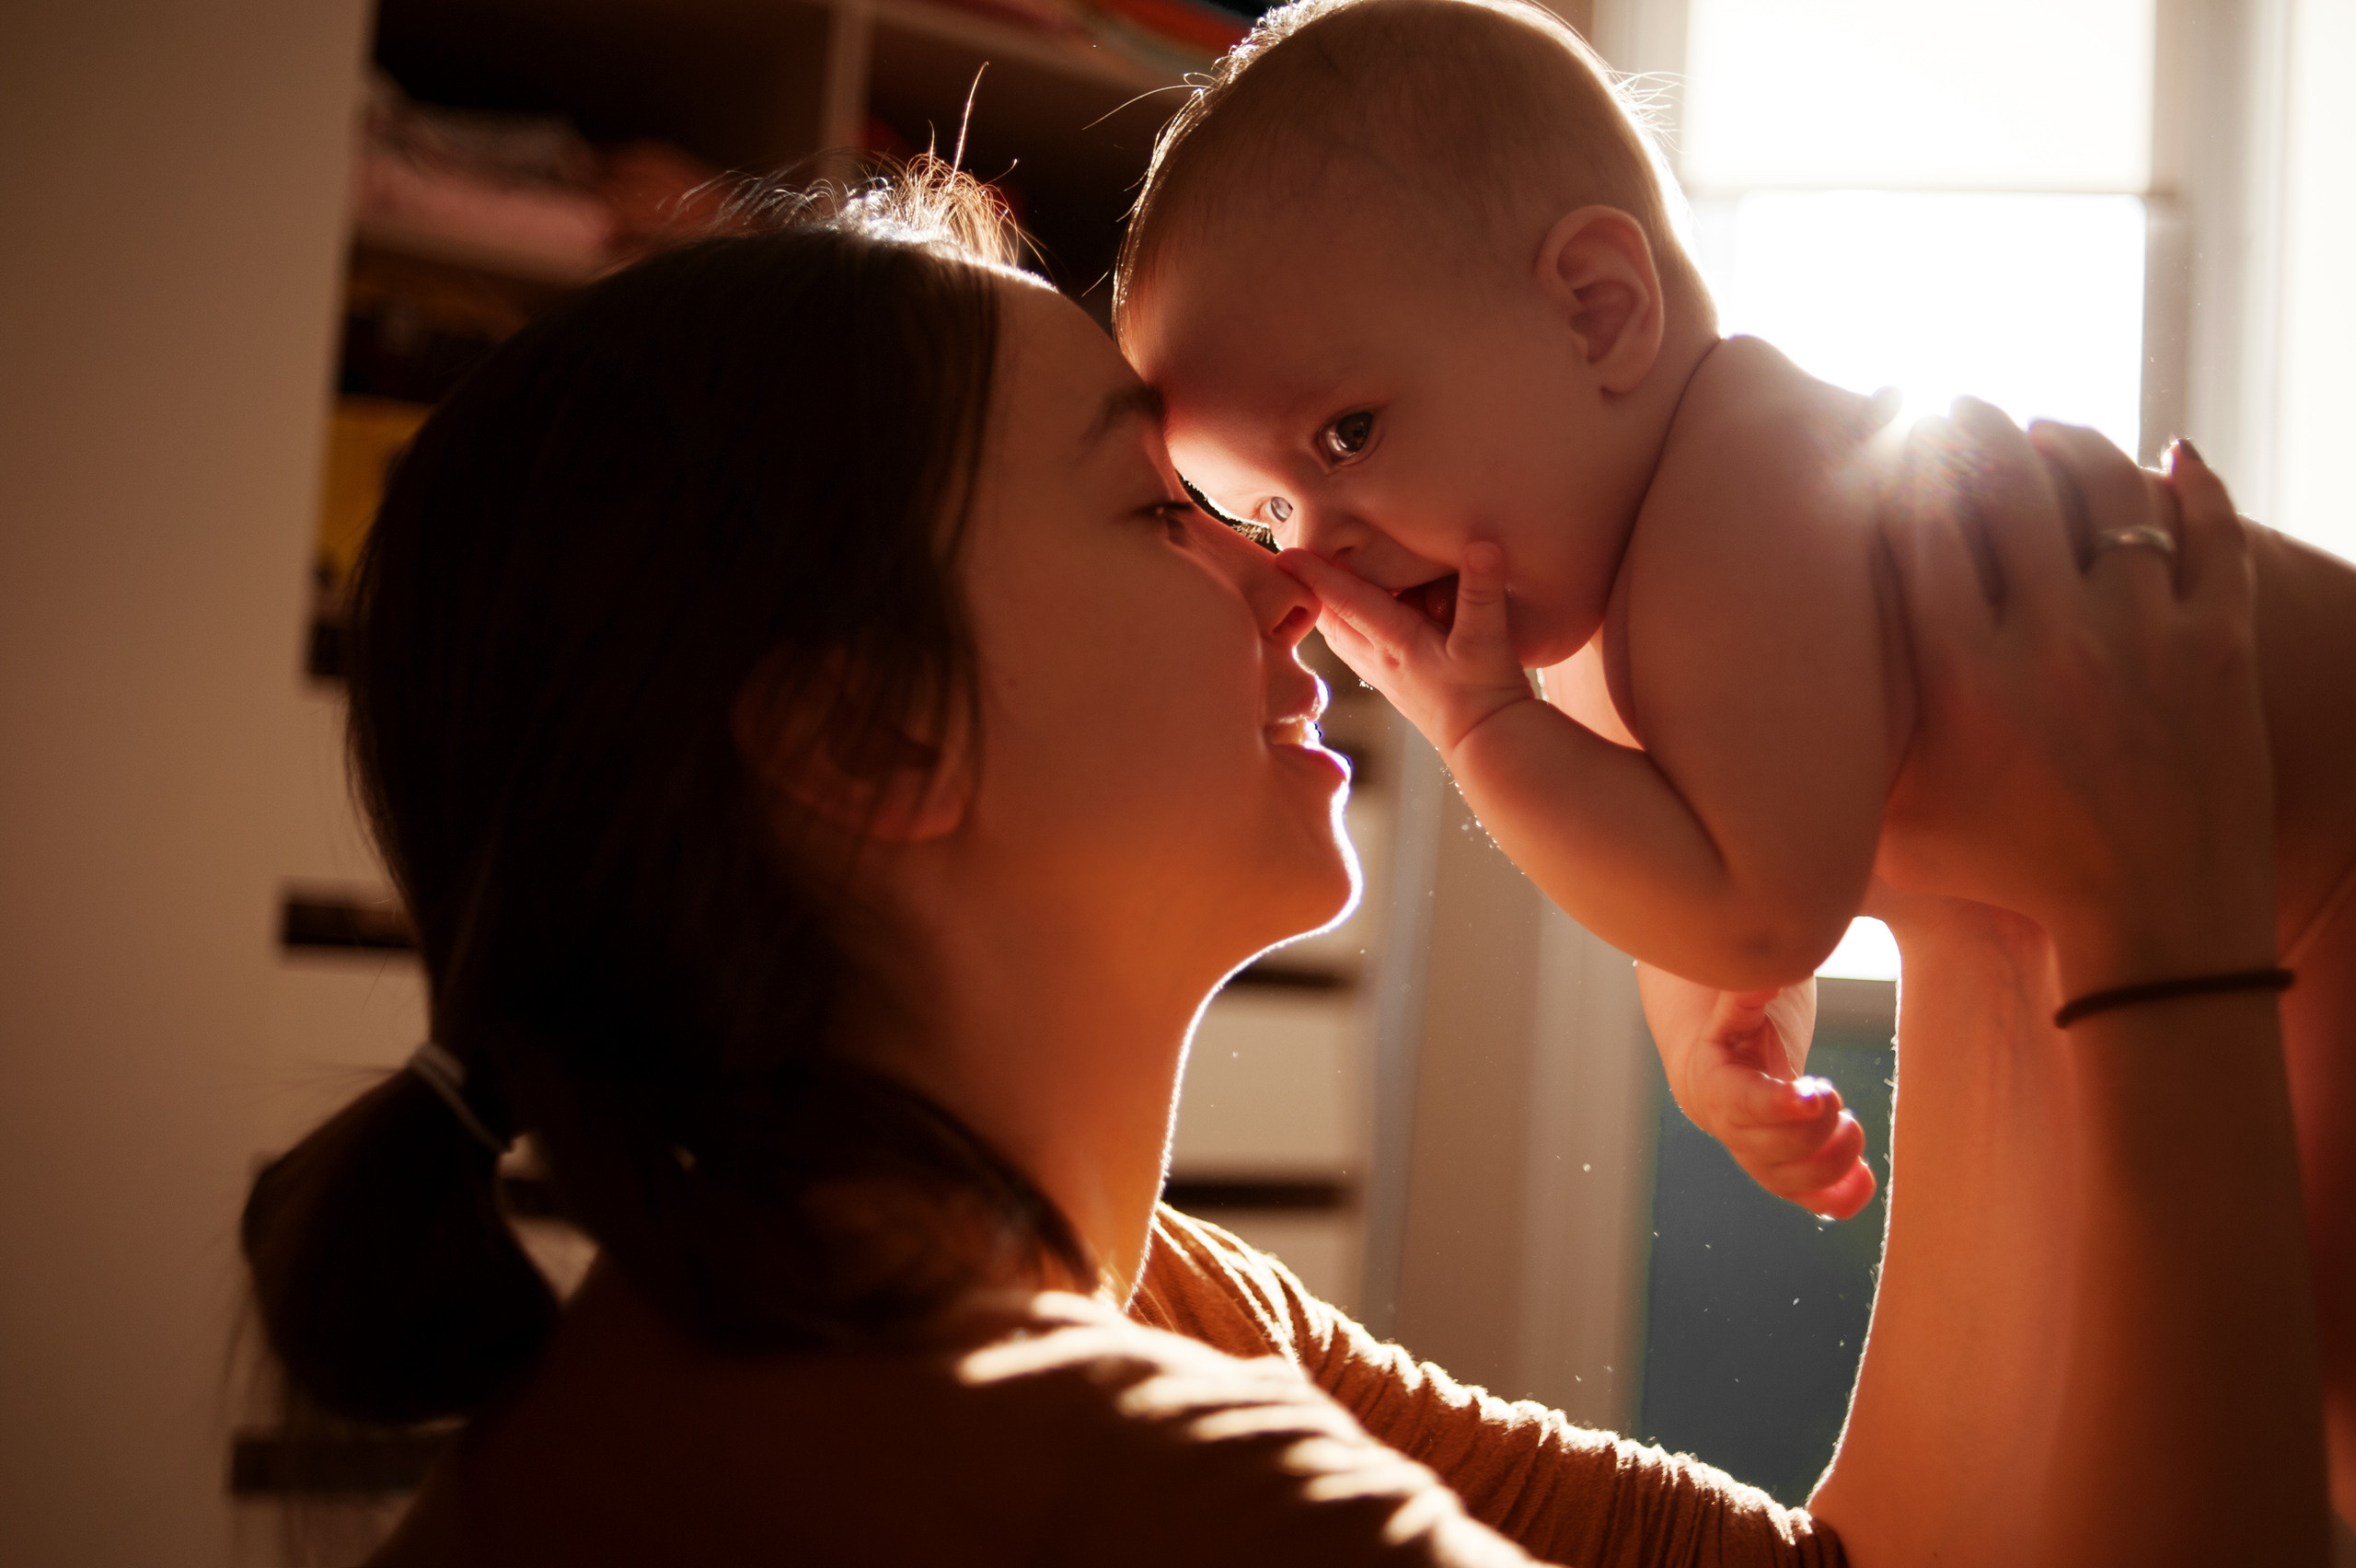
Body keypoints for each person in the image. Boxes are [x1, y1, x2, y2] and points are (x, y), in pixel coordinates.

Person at [238, 165, 2319, 1566]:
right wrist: (2158, 918)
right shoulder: (1111, 1489)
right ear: (871, 733)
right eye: (1168, 517)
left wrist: (1982, 868)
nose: (1295, 582)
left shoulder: (1125, 1303)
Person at [1112, 0, 2356, 1504]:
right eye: (1262, 516)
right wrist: (1703, 1013)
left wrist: (1487, 732)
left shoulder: (1743, 485)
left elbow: (1765, 900)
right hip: (2241, 887)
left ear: (1596, 310)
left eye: (1348, 437)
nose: (1324, 555)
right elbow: (1703, 846)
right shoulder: (1617, 595)